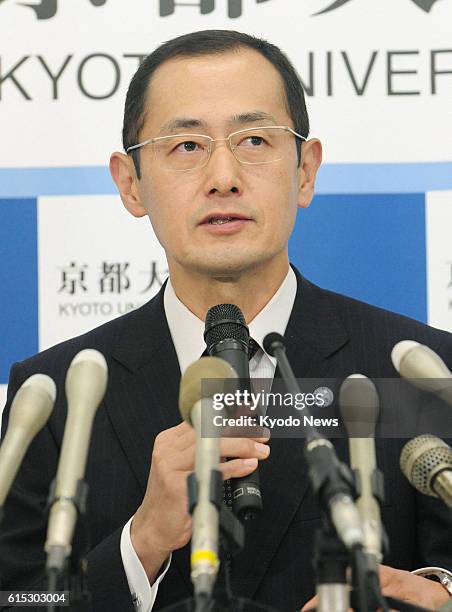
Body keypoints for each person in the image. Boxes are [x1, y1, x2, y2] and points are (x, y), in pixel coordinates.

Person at [1, 29, 452, 612]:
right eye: (186, 146)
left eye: (255, 139)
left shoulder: (418, 369)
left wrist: (439, 596)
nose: (223, 175)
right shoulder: (62, 394)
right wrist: (140, 544)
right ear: (130, 182)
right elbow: (16, 599)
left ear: (307, 170)